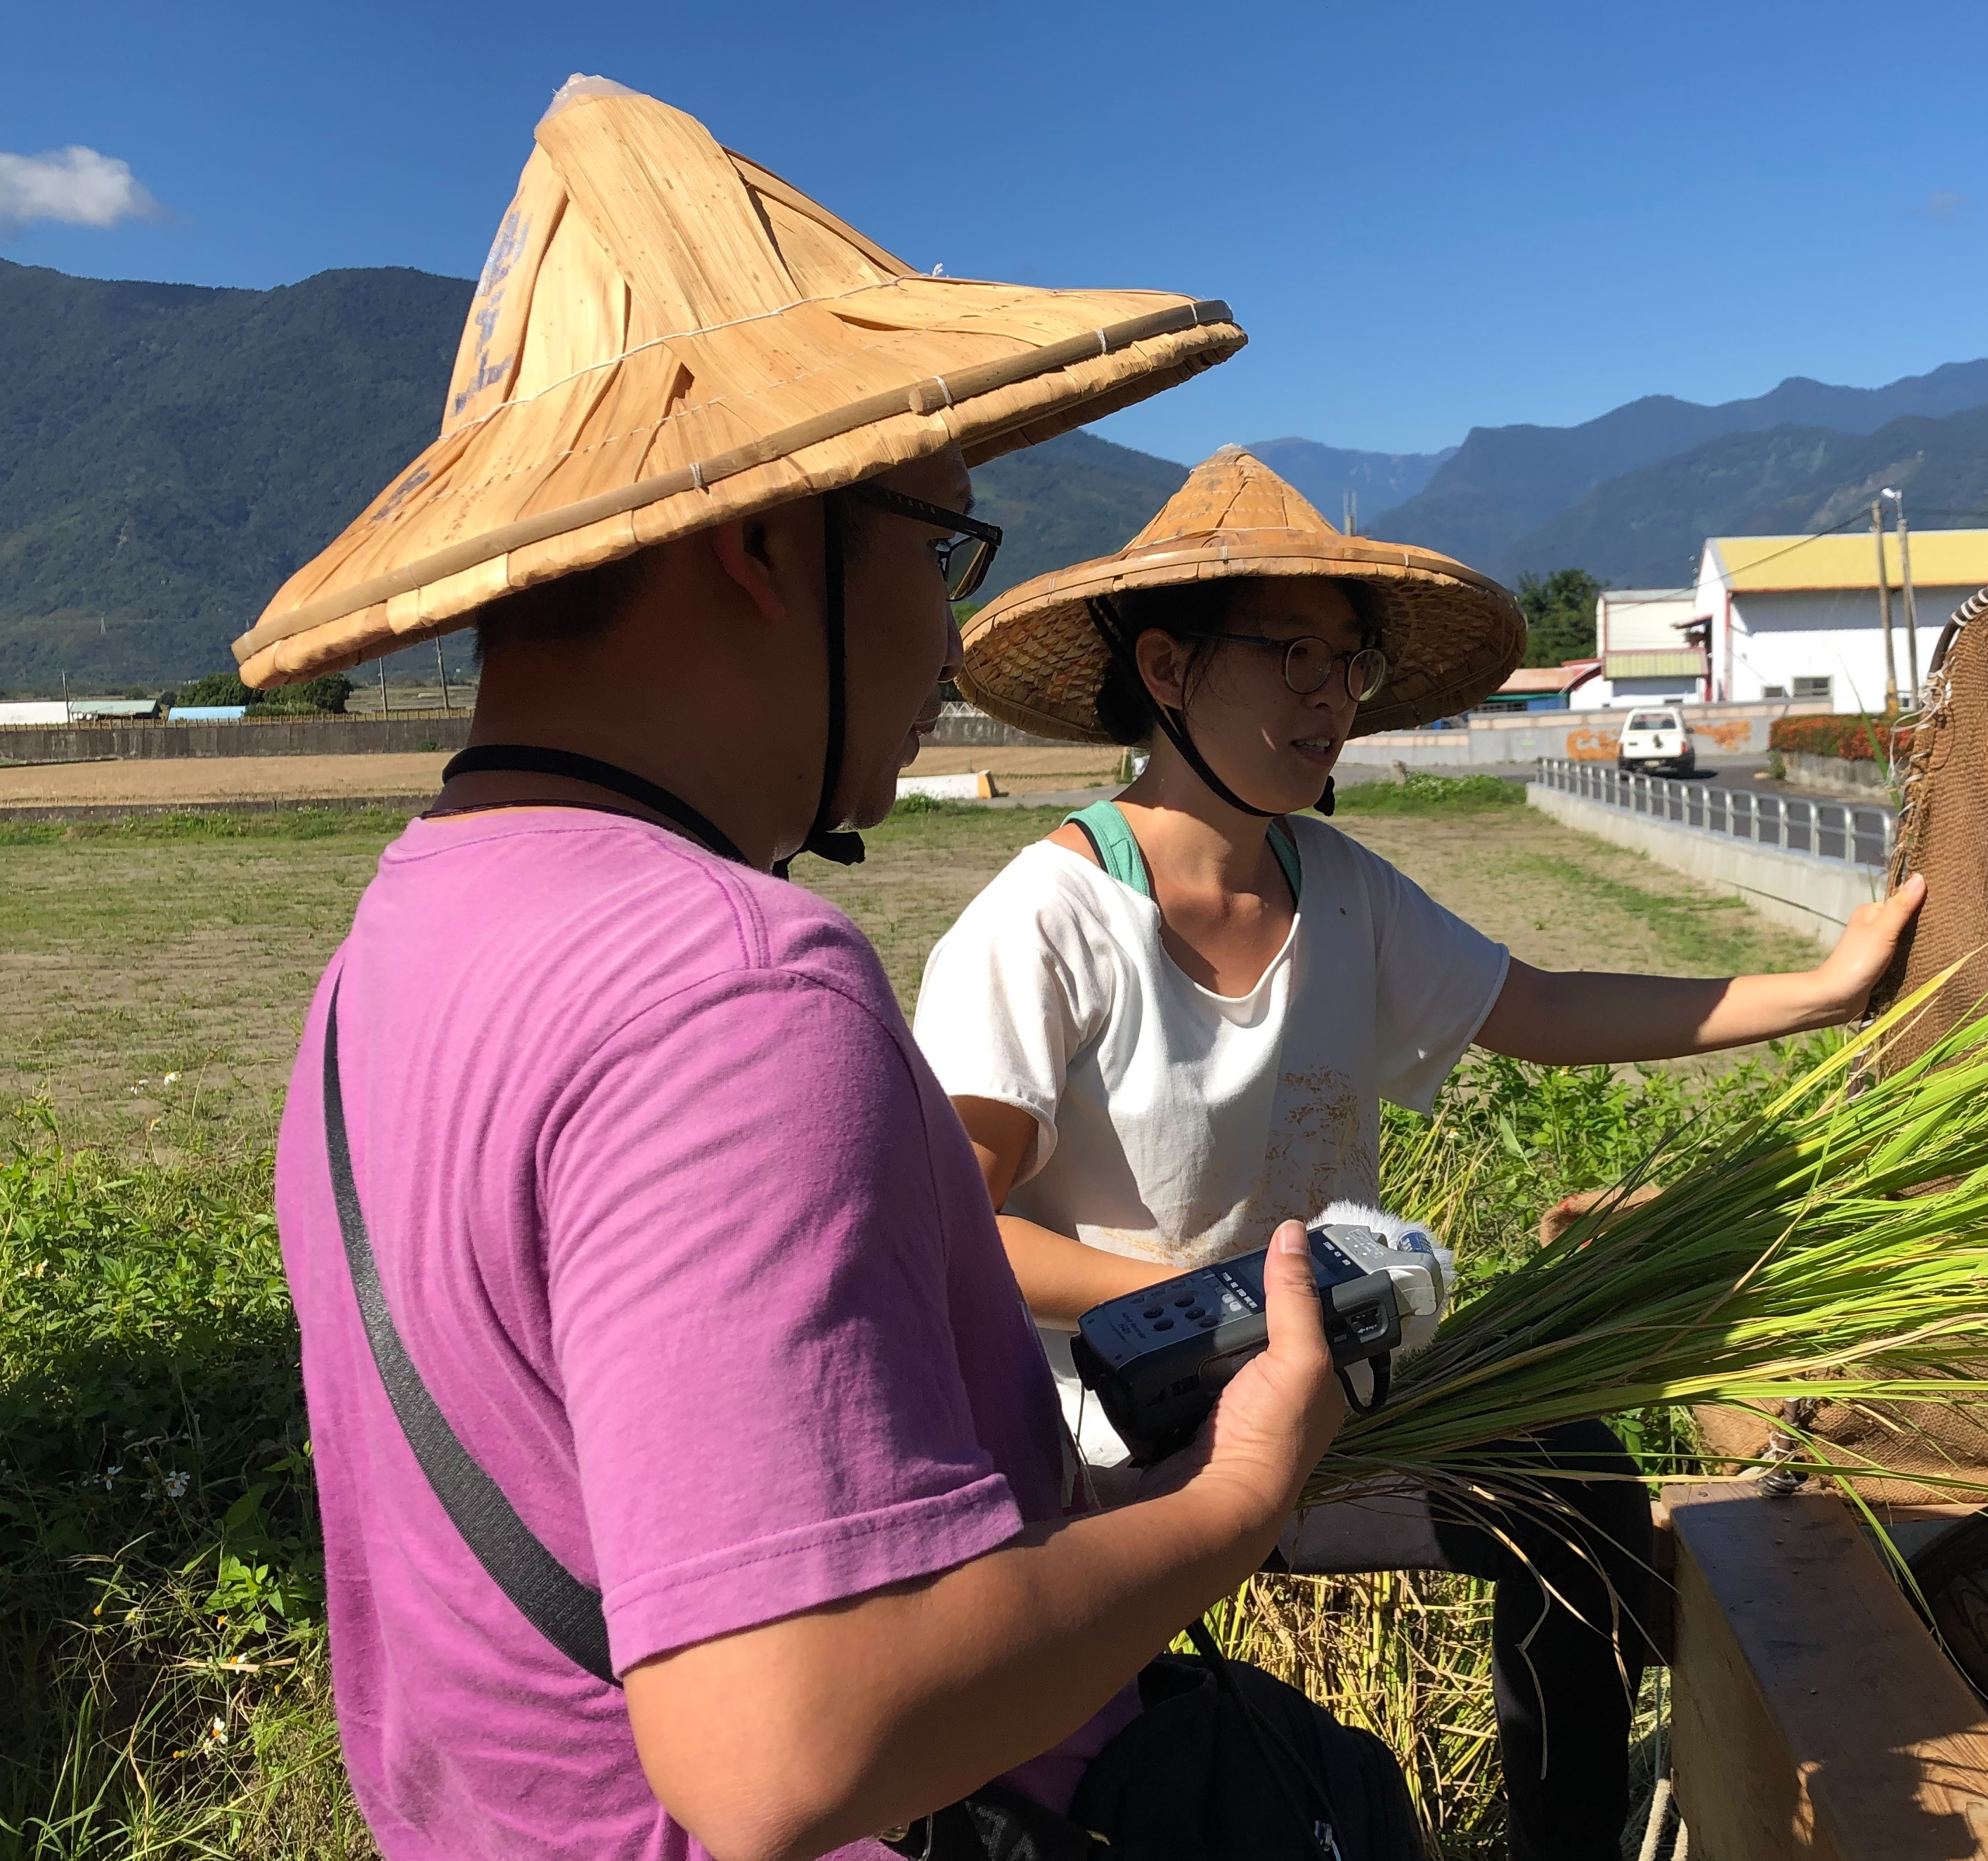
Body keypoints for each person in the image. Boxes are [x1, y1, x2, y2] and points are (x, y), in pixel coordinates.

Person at [244, 82, 1356, 1861]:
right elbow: (792, 1744)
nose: (949, 643)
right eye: (938, 547)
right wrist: (1238, 1493)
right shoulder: (733, 987)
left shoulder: (389, 944)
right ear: (762, 542)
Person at [916, 448, 1928, 1861]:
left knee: (1577, 1495)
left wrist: (1819, 991)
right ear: (1166, 667)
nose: (1332, 696)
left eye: (1352, 662)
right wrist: (1219, 1302)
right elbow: (954, 1231)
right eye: (1292, 654)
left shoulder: (1338, 888)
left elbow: (1541, 1009)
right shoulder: (1045, 926)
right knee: (1155, 1777)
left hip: (1334, 1399)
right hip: (1120, 1441)